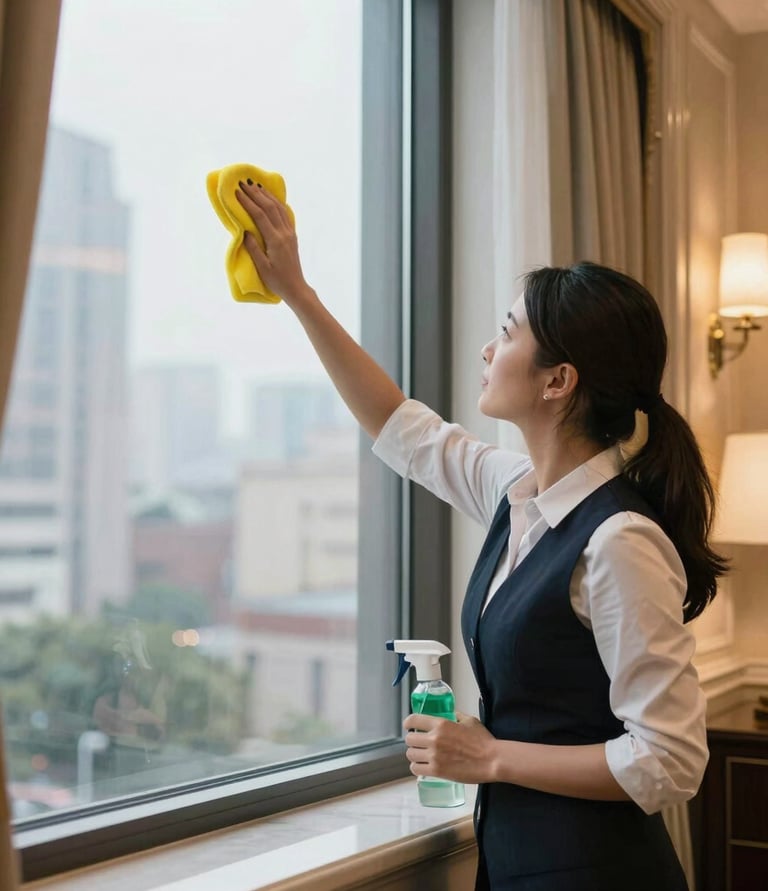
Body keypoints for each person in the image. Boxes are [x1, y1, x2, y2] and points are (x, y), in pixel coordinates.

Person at [234, 180, 727, 890]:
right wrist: (298, 294)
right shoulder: (517, 491)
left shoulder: (619, 538)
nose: (487, 349)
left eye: (508, 332)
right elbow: (406, 429)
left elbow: (671, 759)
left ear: (558, 380)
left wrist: (489, 755)